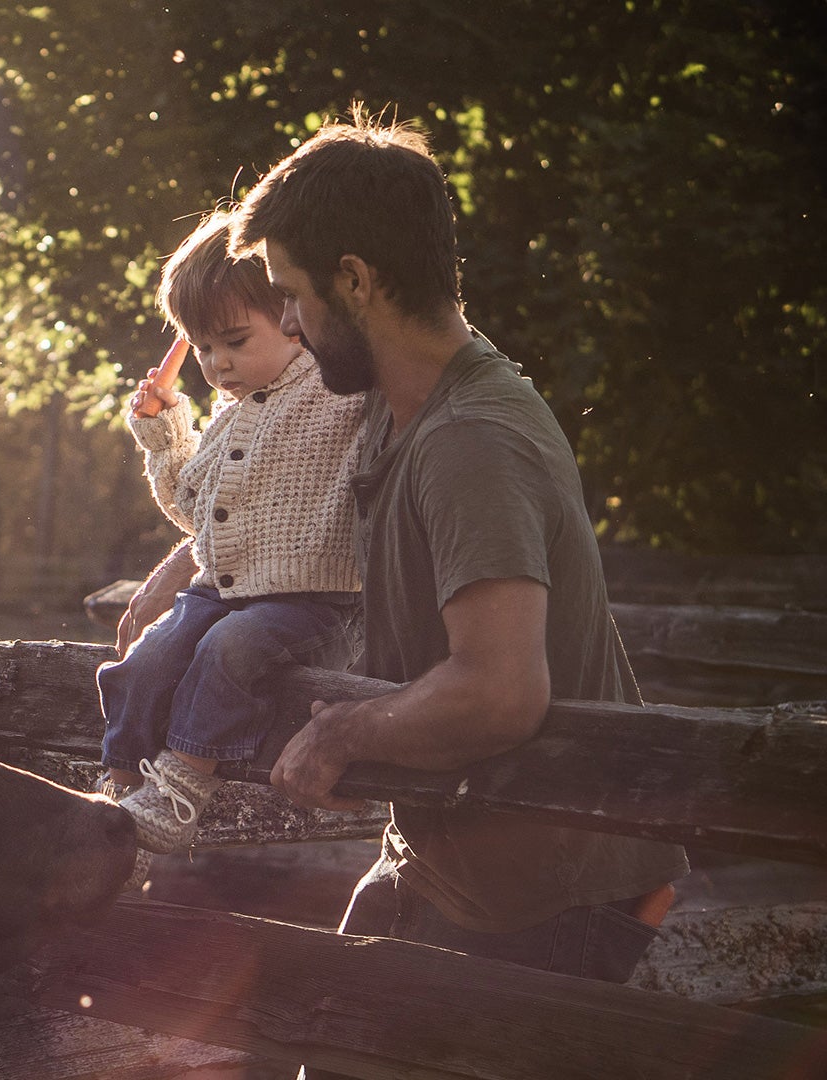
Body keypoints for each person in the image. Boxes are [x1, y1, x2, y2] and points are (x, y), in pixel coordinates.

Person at [228, 108, 687, 995]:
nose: (287, 318)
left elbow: (498, 692)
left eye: (295, 292)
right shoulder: (394, 406)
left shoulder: (472, 438)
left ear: (355, 280)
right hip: (449, 871)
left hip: (547, 902)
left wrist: (341, 735)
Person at [96, 209, 366, 863]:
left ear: (296, 320)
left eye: (235, 342)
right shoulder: (233, 412)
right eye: (205, 347)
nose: (217, 364)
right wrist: (165, 435)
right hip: (226, 588)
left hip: (314, 599)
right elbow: (195, 508)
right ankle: (121, 781)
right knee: (151, 658)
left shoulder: (340, 390)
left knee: (229, 649)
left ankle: (181, 790)